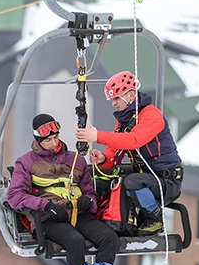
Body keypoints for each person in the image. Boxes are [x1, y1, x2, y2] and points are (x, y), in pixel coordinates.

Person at [6, 114, 118, 265]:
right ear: (38, 140)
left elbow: (88, 189)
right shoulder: (26, 162)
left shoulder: (75, 159)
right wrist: (44, 206)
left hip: (78, 212)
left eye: (56, 137)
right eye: (48, 140)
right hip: (50, 218)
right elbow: (14, 196)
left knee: (109, 238)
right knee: (74, 242)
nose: (54, 143)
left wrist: (90, 201)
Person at [76, 71, 183, 235]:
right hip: (147, 176)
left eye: (117, 98)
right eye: (112, 99)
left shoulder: (151, 115)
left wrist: (98, 136)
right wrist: (104, 159)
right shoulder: (124, 120)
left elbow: (134, 140)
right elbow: (116, 150)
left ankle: (154, 218)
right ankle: (108, 218)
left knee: (132, 182)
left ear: (131, 94)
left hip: (166, 181)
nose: (113, 103)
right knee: (101, 178)